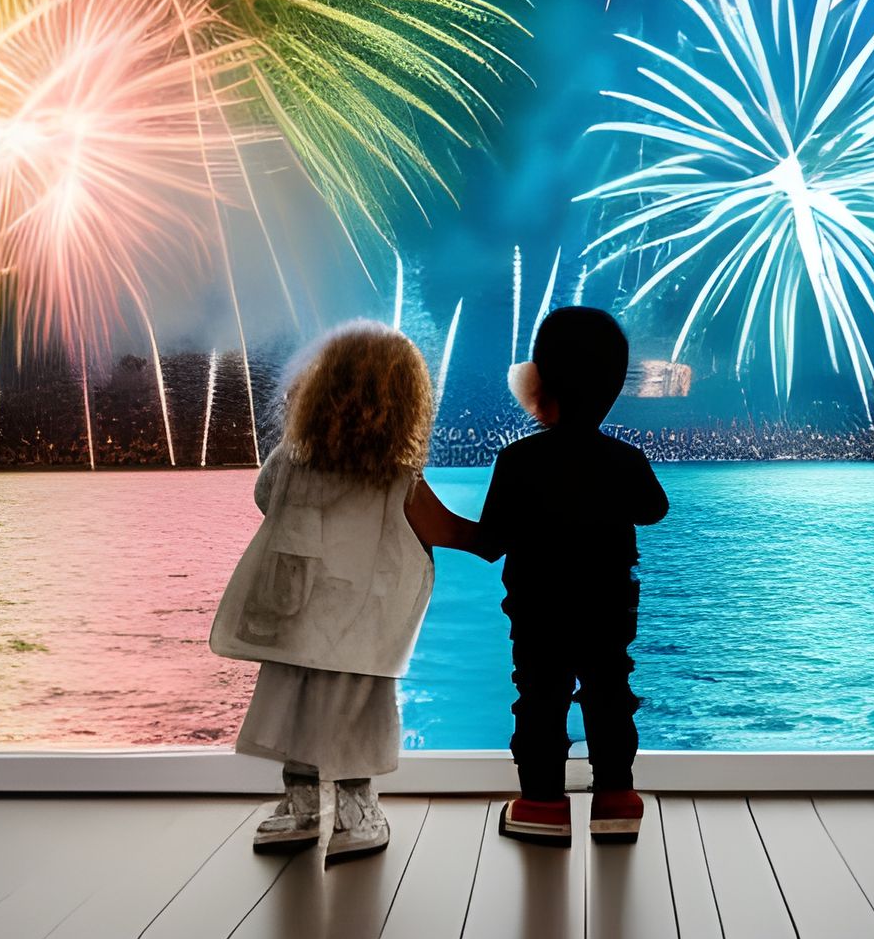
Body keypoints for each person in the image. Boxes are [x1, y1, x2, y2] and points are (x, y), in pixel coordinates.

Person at [211, 321, 483, 863]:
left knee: (294, 704)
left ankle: (302, 806)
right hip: (362, 620)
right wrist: (504, 535)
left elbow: (267, 501)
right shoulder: (397, 477)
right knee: (357, 712)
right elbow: (446, 531)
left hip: (293, 614)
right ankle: (357, 814)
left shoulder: (290, 462)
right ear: (406, 403)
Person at [477, 306, 670, 848]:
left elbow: (492, 540)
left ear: (542, 378)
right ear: (614, 383)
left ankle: (541, 804)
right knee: (610, 692)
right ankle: (616, 799)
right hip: (608, 607)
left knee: (540, 697)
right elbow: (656, 509)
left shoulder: (517, 460)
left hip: (538, 609)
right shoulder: (625, 460)